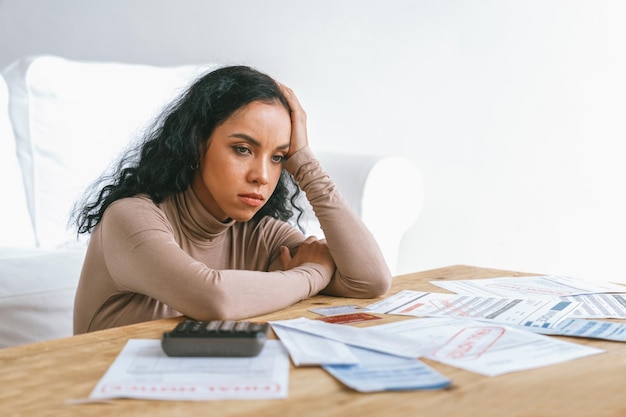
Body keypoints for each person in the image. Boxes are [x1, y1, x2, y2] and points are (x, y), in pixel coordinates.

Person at [72, 65, 391, 334]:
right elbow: (215, 298)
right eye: (243, 149)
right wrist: (311, 274)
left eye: (278, 157)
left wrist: (304, 162)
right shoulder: (129, 218)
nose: (262, 176)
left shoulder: (260, 234)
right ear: (197, 144)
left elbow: (371, 281)